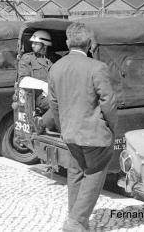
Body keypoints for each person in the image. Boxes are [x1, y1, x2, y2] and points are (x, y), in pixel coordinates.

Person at [47, 23, 117, 232]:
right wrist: (111, 127)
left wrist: (63, 128)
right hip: (95, 134)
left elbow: (54, 104)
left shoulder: (56, 67)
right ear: (89, 44)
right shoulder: (97, 67)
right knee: (94, 174)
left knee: (76, 173)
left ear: (68, 43)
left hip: (70, 133)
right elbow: (109, 102)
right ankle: (76, 222)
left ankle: (78, 220)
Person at [16, 30, 60, 132]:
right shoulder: (28, 59)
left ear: (44, 44)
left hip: (54, 93)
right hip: (39, 98)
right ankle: (42, 123)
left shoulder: (55, 58)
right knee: (60, 101)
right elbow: (22, 80)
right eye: (32, 42)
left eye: (36, 43)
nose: (32, 45)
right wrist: (43, 85)